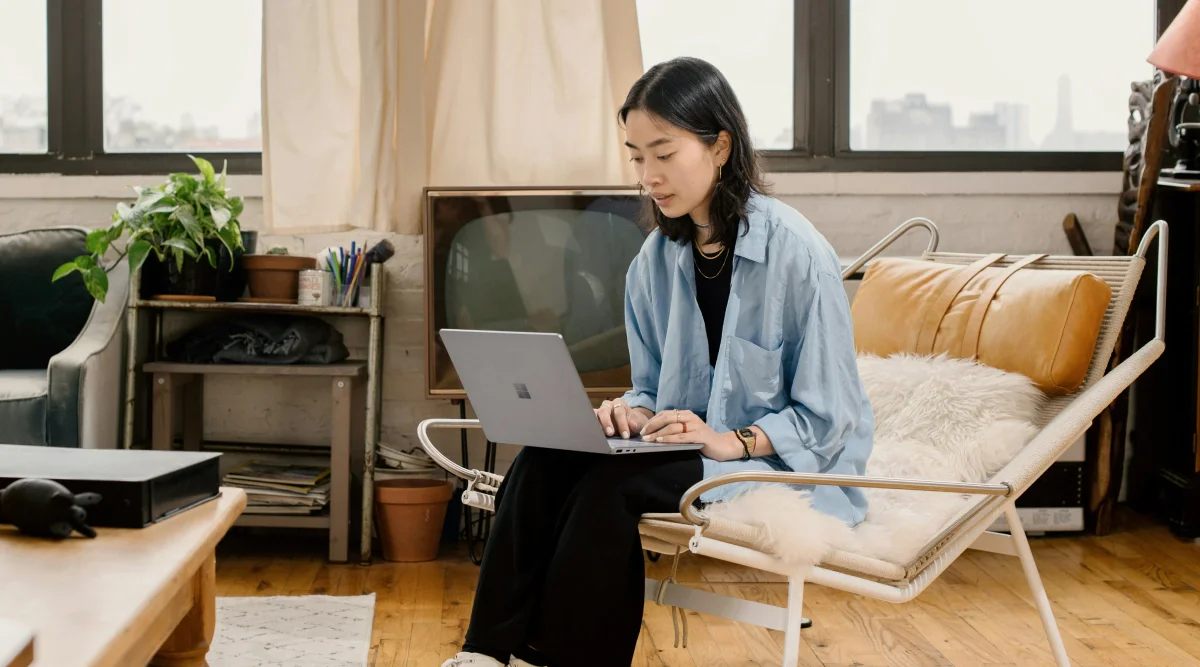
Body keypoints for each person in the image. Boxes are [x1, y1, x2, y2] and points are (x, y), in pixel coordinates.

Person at [442, 56, 874, 667]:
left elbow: (833, 419)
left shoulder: (798, 254)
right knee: (544, 459)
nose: (648, 175)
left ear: (720, 146)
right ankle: (486, 654)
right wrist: (628, 413)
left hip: (777, 460)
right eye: (636, 156)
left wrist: (731, 440)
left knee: (607, 491)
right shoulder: (653, 260)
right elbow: (651, 388)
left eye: (664, 153)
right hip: (681, 445)